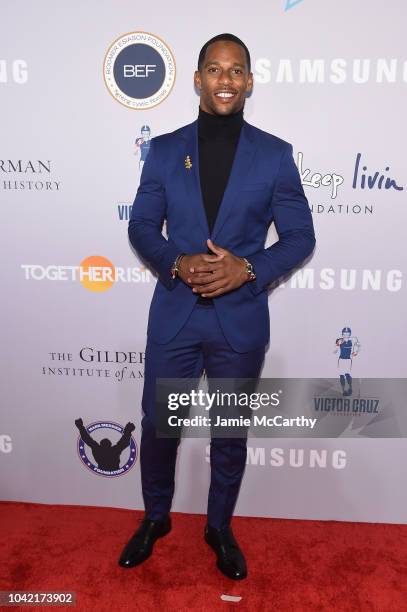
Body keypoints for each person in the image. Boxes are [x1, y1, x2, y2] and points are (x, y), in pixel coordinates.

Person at [119, 33, 316, 580]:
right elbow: (140, 225)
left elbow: (301, 237)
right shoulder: (163, 150)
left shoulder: (275, 156)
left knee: (229, 432)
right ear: (199, 79)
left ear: (249, 81)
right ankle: (155, 518)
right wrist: (177, 263)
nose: (225, 79)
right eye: (214, 68)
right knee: (160, 425)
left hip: (240, 320)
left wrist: (248, 269)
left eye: (235, 70)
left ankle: (219, 527)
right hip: (177, 313)